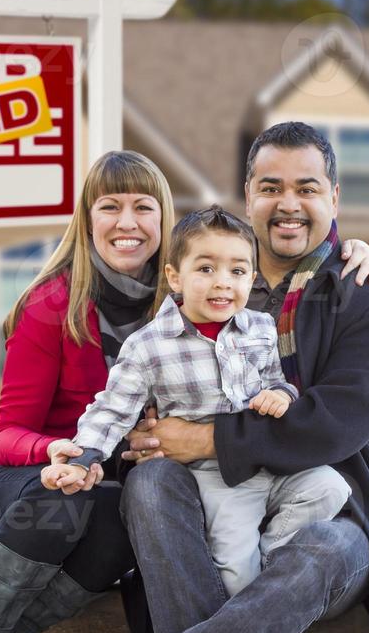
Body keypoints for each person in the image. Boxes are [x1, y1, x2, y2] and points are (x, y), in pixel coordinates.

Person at [0, 149, 369, 633]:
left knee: (126, 514)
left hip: (103, 490)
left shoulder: (194, 296)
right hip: (9, 488)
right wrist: (68, 452)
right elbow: (5, 432)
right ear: (86, 219)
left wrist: (356, 246)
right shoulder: (53, 306)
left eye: (144, 207)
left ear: (166, 226)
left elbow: (274, 258)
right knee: (74, 497)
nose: (128, 222)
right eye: (110, 206)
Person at [72, 122, 369, 633]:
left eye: (306, 188)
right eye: (271, 188)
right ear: (247, 195)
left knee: (327, 548)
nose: (288, 203)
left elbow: (337, 427)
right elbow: (115, 286)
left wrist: (208, 438)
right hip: (209, 504)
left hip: (331, 503)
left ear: (334, 196)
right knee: (150, 483)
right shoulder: (207, 273)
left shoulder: (365, 292)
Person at [43, 205, 350, 598]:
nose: (223, 283)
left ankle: (274, 556)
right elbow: (112, 409)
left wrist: (281, 395)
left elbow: (276, 380)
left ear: (251, 278)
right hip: (217, 477)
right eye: (206, 269)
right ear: (175, 277)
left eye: (237, 271)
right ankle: (248, 597)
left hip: (269, 463)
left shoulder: (259, 328)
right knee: (237, 576)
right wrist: (83, 456)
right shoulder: (148, 346)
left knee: (330, 487)